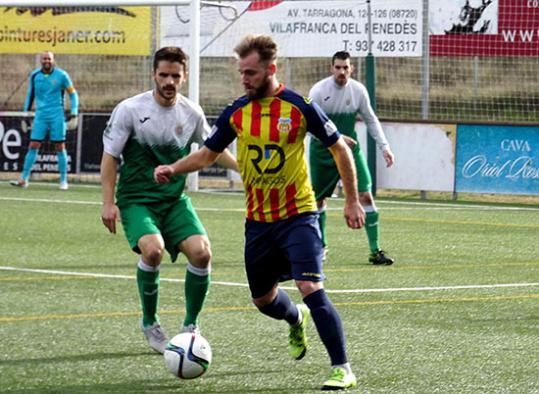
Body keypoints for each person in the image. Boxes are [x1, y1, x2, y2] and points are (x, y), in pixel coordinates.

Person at [154, 35, 364, 391]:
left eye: (250, 72)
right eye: (241, 72)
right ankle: (296, 317)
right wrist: (174, 168)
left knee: (309, 285)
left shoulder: (299, 106)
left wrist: (352, 200)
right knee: (263, 299)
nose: (244, 78)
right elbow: (207, 154)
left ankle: (342, 367)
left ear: (271, 69)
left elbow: (339, 148)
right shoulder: (237, 110)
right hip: (258, 222)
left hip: (299, 215)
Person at [100, 46, 238, 354]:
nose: (169, 81)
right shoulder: (130, 110)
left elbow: (211, 151)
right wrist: (108, 202)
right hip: (136, 199)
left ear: (184, 76)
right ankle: (150, 323)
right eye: (163, 75)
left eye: (175, 75)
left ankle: (190, 327)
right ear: (154, 74)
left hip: (174, 201)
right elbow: (109, 157)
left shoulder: (192, 112)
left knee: (202, 254)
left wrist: (244, 169)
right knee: (153, 250)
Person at [309, 50, 395, 265]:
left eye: (345, 67)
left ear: (351, 69)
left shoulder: (358, 90)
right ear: (331, 68)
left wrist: (384, 146)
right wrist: (336, 136)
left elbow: (371, 119)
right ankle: (321, 247)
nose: (341, 71)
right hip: (322, 151)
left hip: (350, 150)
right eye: (337, 67)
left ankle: (375, 251)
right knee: (318, 199)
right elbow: (308, 125)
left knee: (365, 195)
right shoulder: (319, 91)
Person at [10, 51, 79, 190]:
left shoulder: (62, 75)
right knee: (33, 144)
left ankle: (63, 180)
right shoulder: (35, 75)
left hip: (57, 116)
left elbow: (73, 94)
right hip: (40, 116)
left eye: (49, 58)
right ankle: (24, 179)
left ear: (53, 60)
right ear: (41, 61)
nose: (46, 61)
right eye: (44, 58)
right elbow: (30, 95)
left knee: (60, 146)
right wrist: (25, 114)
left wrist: (74, 111)